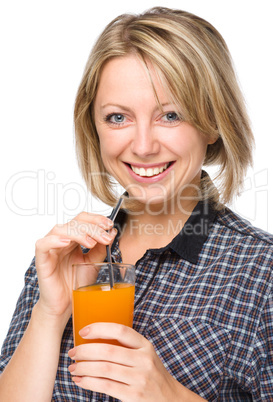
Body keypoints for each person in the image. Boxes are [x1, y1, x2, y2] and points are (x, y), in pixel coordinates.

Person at [0, 6, 272, 401]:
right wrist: (49, 313)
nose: (143, 146)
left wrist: (170, 395)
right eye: (117, 118)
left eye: (171, 115)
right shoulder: (65, 257)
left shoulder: (261, 273)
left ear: (213, 122)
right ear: (92, 125)